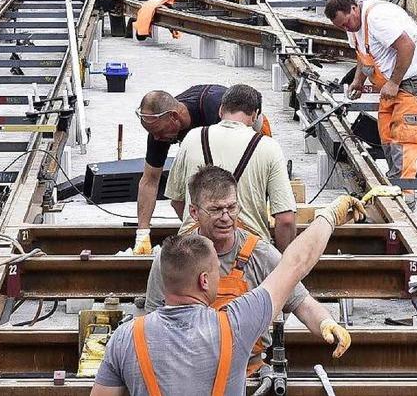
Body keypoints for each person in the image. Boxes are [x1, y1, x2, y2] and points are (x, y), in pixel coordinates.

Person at [90, 194, 365, 396]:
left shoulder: (125, 338)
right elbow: (295, 263)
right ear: (205, 280)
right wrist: (330, 216)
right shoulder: (235, 325)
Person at [146, 165, 353, 375]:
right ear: (194, 212)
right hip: (187, 371)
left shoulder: (259, 253)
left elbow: (302, 302)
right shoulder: (173, 258)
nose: (226, 217)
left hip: (248, 370)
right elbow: (152, 322)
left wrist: (326, 323)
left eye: (232, 207)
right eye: (216, 209)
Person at [325, 0, 417, 209]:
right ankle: (394, 182)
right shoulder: (353, 27)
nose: (347, 29)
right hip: (396, 81)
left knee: (405, 138)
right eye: (341, 26)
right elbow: (363, 55)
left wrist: (394, 82)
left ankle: (405, 196)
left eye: (346, 22)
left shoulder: (378, 19)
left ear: (354, 8)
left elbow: (407, 46)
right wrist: (358, 80)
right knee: (387, 130)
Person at [134, 85, 272, 255]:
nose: (157, 138)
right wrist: (142, 233)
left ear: (175, 117)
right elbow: (150, 180)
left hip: (253, 128)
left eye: (160, 132)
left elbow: (237, 172)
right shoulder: (158, 127)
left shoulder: (214, 108)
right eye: (152, 133)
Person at [164, 84, 296, 252]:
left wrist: (206, 221)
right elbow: (286, 220)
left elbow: (177, 201)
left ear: (220, 110)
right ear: (255, 115)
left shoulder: (192, 138)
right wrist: (281, 264)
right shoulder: (268, 147)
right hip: (249, 253)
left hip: (194, 252)